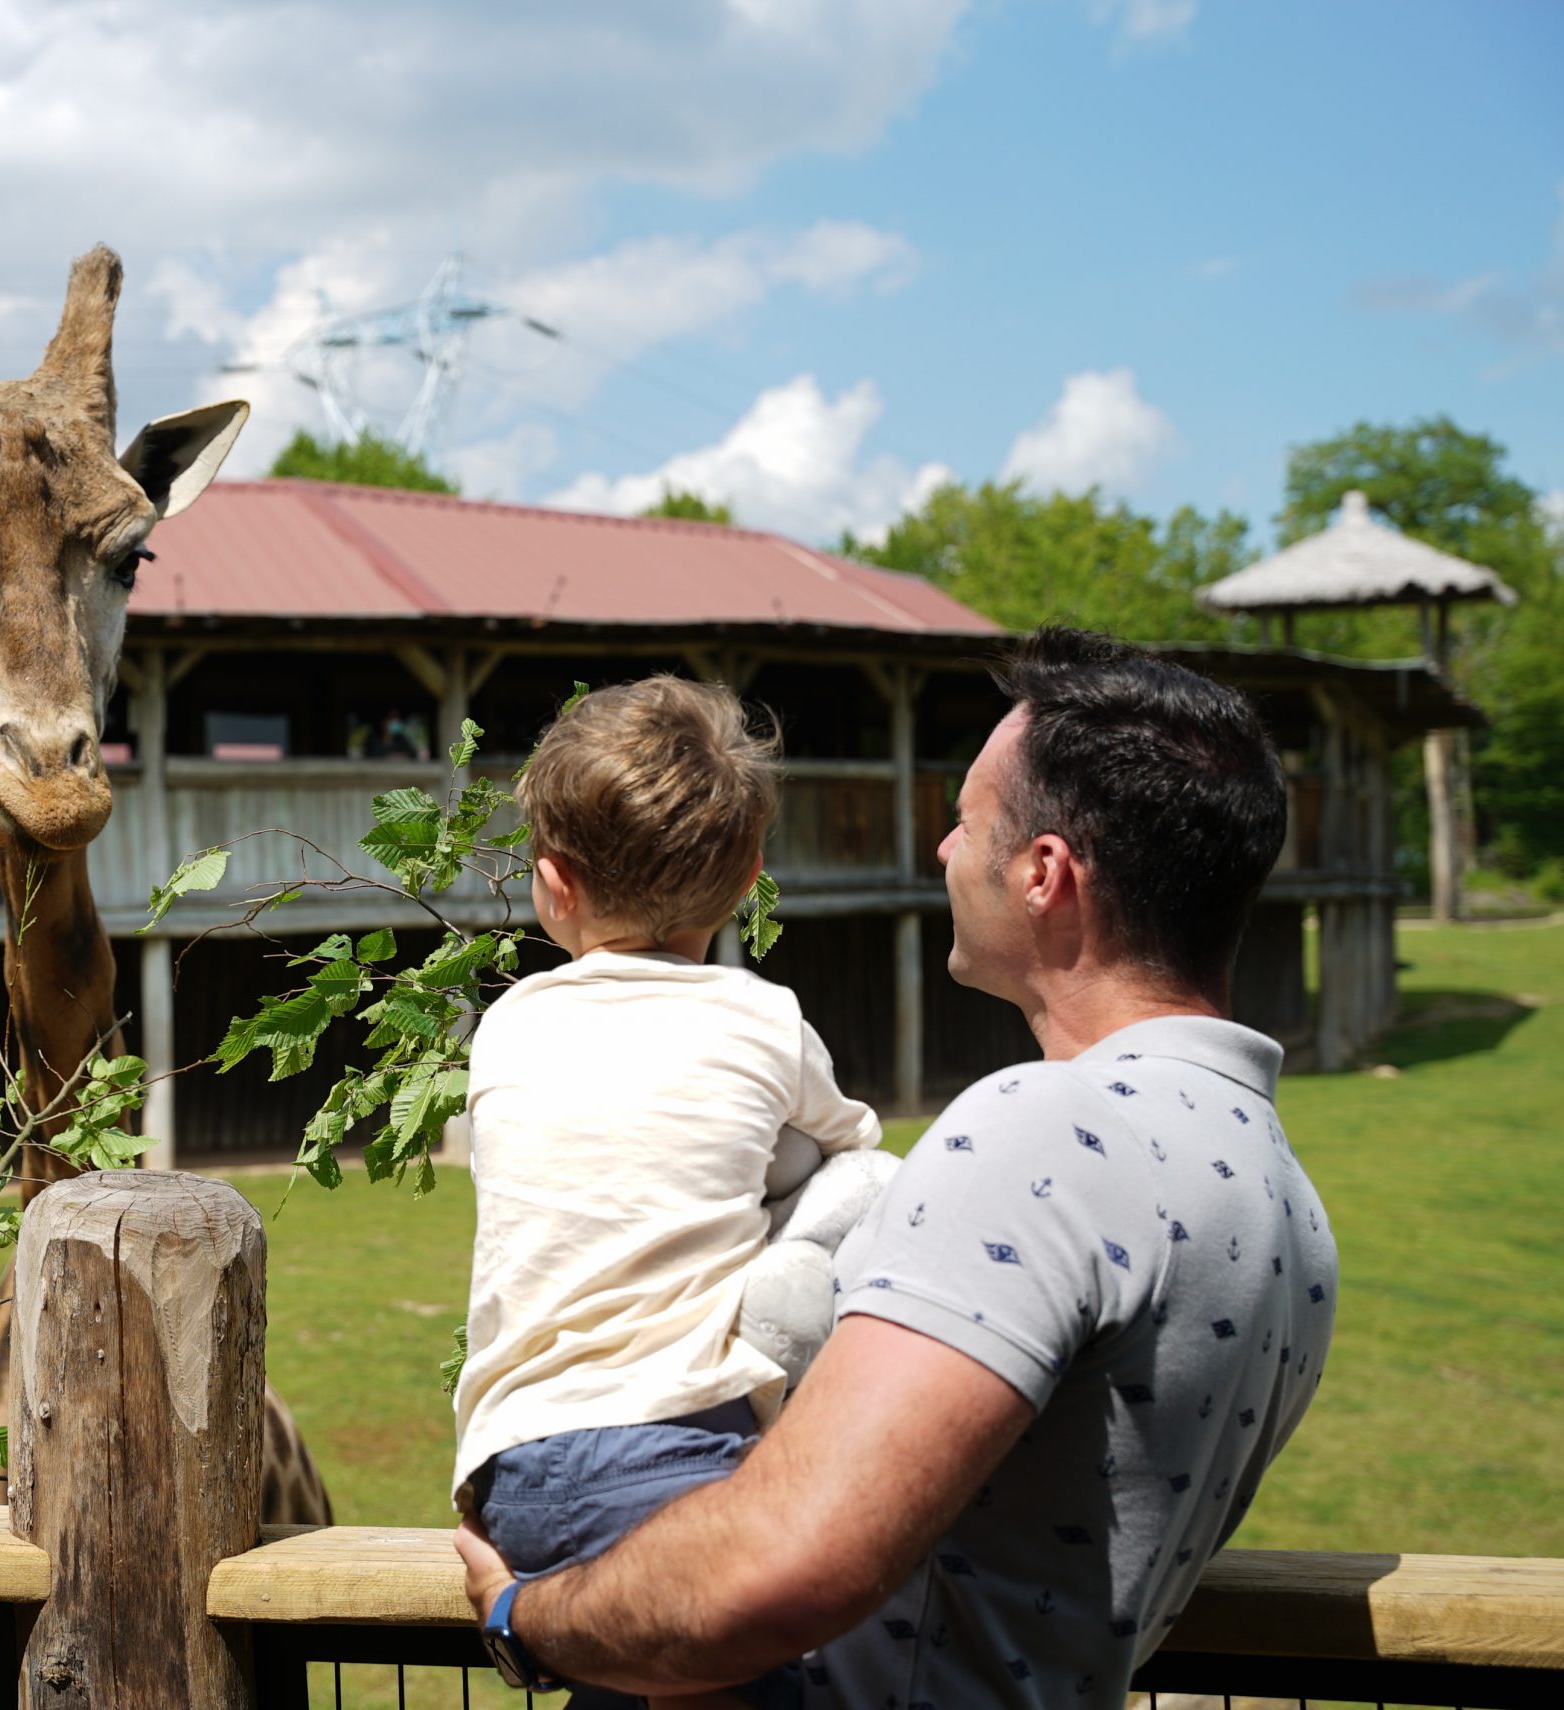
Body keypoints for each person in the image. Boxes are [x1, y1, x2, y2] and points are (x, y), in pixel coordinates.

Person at [455, 629, 1339, 1710]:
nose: (941, 851)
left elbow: (773, 1572)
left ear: (1043, 874)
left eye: (965, 822)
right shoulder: (1279, 1194)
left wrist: (521, 1620)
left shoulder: (1042, 1137)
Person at [455, 675, 895, 1710]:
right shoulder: (765, 1019)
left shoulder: (510, 1024)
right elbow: (859, 1163)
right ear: (747, 876)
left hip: (510, 1471)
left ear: (551, 885)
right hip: (681, 1452)